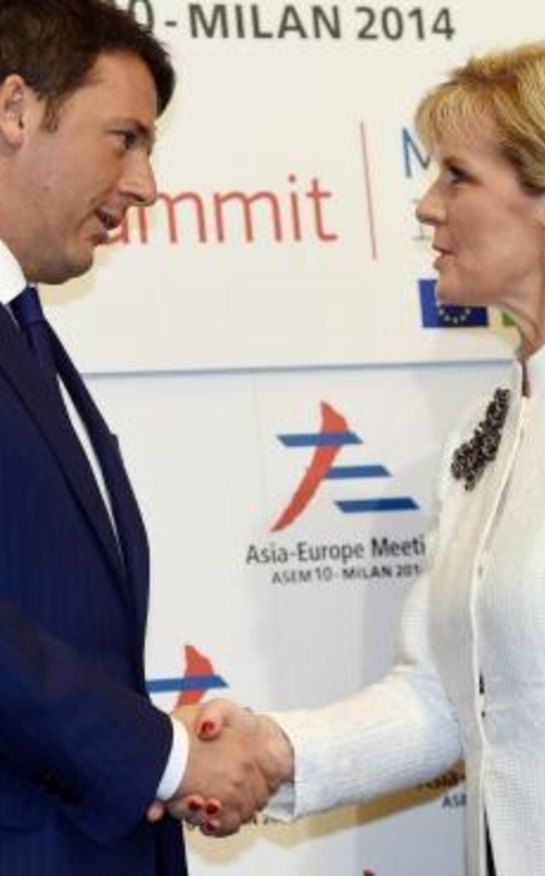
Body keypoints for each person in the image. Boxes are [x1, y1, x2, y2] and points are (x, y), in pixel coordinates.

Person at [165, 42, 545, 876]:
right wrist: (276, 750)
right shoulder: (487, 427)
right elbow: (442, 697)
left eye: (457, 176)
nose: (427, 207)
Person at [0, 1, 271, 874]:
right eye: (125, 138)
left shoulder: (25, 328)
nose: (147, 184)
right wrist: (167, 756)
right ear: (13, 112)